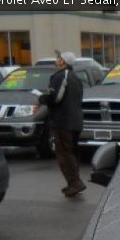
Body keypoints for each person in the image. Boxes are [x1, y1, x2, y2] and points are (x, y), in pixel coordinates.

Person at [38, 51, 85, 197]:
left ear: (63, 62)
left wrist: (42, 98)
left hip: (63, 121)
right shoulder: (77, 78)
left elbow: (55, 98)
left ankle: (75, 183)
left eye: (59, 58)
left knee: (64, 153)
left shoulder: (60, 76)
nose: (56, 60)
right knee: (72, 152)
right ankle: (73, 182)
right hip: (76, 121)